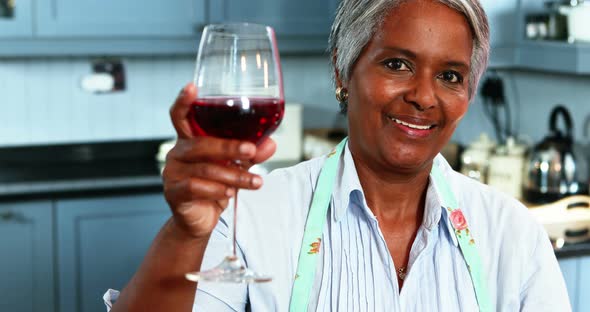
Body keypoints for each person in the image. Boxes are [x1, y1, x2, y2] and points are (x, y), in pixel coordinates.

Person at [108, 0, 571, 311]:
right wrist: (184, 235)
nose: (424, 97)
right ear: (343, 71)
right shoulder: (252, 218)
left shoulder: (513, 235)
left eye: (450, 76)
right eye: (397, 64)